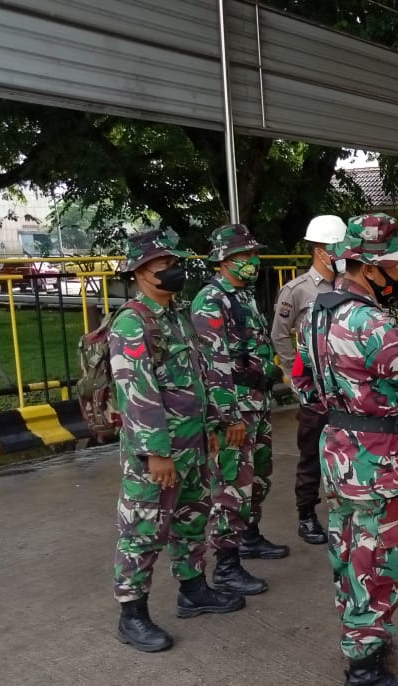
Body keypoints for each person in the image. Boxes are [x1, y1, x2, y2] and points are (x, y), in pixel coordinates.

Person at [293, 213, 398, 686]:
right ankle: (364, 673)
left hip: (339, 450)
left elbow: (303, 385)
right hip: (376, 460)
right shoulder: (368, 321)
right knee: (379, 557)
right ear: (370, 266)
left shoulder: (318, 313)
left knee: (349, 552)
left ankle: (364, 642)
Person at [111, 230, 244, 653]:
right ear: (142, 273)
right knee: (143, 531)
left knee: (190, 521)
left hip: (193, 445)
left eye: (174, 262)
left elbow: (199, 381)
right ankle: (132, 616)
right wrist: (156, 454)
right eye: (163, 265)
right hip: (160, 455)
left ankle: (193, 590)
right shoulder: (134, 322)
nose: (175, 271)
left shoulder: (176, 315)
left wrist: (214, 426)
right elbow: (138, 394)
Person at [191, 223, 287, 597]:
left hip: (256, 403)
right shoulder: (210, 301)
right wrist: (228, 417)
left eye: (252, 254)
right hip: (235, 410)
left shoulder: (241, 295)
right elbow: (213, 365)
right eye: (245, 256)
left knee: (258, 475)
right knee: (232, 484)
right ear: (225, 260)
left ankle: (249, 536)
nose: (252, 261)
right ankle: (226, 565)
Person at [271, 214, 348, 545]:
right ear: (322, 251)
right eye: (340, 247)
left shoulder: (348, 286)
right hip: (315, 388)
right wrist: (294, 375)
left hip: (345, 386)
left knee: (346, 452)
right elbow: (279, 335)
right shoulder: (297, 291)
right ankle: (307, 515)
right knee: (311, 454)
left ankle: (344, 511)